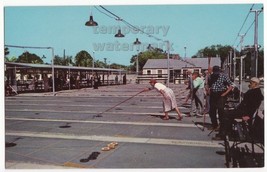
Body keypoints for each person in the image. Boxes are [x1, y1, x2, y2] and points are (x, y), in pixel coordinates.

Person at [207, 66, 233, 131]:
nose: (216, 74)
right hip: (213, 94)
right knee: (212, 111)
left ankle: (221, 126)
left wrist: (225, 93)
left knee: (220, 110)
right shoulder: (210, 76)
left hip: (221, 94)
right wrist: (208, 89)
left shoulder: (223, 76)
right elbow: (209, 85)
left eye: (217, 72)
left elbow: (231, 85)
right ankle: (215, 125)